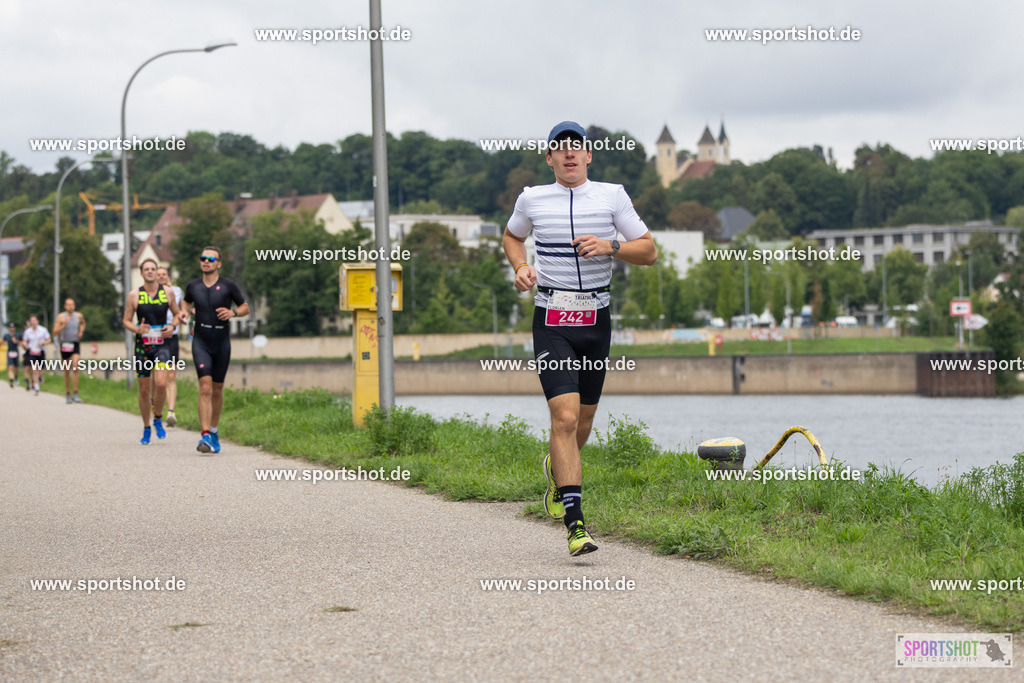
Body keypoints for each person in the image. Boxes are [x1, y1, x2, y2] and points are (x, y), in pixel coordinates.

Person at [503, 121, 657, 556]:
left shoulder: (613, 196)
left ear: (589, 156)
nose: (569, 154)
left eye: (577, 148)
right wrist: (520, 267)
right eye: (560, 149)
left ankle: (557, 468)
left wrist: (611, 247)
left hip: (596, 320)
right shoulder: (532, 198)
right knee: (565, 418)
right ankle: (576, 524)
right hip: (551, 318)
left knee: (582, 424)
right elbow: (513, 236)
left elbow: (648, 250)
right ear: (549, 158)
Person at [179, 246, 248, 454]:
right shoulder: (193, 285)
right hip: (200, 340)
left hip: (221, 341)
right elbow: (185, 302)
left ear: (218, 263)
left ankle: (215, 430)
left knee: (217, 389)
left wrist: (233, 312)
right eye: (203, 258)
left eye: (210, 259)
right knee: (205, 387)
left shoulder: (228, 285)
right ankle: (205, 435)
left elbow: (245, 307)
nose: (206, 261)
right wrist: (183, 313)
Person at [122, 258, 181, 445]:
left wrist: (172, 326)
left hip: (162, 344)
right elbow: (126, 320)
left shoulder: (168, 292)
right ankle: (146, 427)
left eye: (153, 269)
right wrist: (136, 329)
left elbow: (178, 315)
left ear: (157, 272)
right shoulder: (134, 295)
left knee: (161, 383)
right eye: (146, 269)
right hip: (142, 345)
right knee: (144, 388)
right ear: (141, 273)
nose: (150, 272)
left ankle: (157, 418)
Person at [156, 267, 183, 427]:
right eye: (158, 274)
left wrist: (183, 316)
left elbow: (181, 310)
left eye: (163, 274)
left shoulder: (177, 291)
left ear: (168, 277)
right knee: (157, 377)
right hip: (155, 337)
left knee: (171, 375)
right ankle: (155, 405)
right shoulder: (150, 292)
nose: (161, 276)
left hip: (172, 336)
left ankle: (171, 412)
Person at [52, 297, 86, 404]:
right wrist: (63, 325)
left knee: (75, 367)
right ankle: (68, 393)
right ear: (65, 306)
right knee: (67, 370)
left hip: (75, 343)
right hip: (65, 344)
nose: (70, 307)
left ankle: (75, 393)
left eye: (72, 305)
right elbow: (54, 332)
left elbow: (83, 323)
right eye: (68, 305)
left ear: (74, 306)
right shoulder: (61, 317)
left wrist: (81, 332)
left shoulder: (78, 315)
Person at [20, 315, 52, 395]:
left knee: (41, 370)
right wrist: (25, 345)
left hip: (40, 351)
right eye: (32, 321)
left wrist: (43, 343)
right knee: (34, 369)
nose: (33, 322)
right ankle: (36, 387)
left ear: (37, 321)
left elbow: (49, 339)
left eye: (34, 320)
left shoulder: (43, 330)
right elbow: (24, 340)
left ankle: (40, 377)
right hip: (32, 352)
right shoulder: (27, 331)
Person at [4, 322, 21, 389]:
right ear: (9, 328)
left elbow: (20, 342)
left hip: (16, 352)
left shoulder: (17, 335)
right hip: (10, 353)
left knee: (16, 368)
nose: (12, 329)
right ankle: (11, 381)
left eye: (13, 327)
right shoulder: (6, 336)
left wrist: (16, 341)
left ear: (15, 328)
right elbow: (4, 342)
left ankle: (16, 377)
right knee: (10, 367)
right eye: (10, 327)